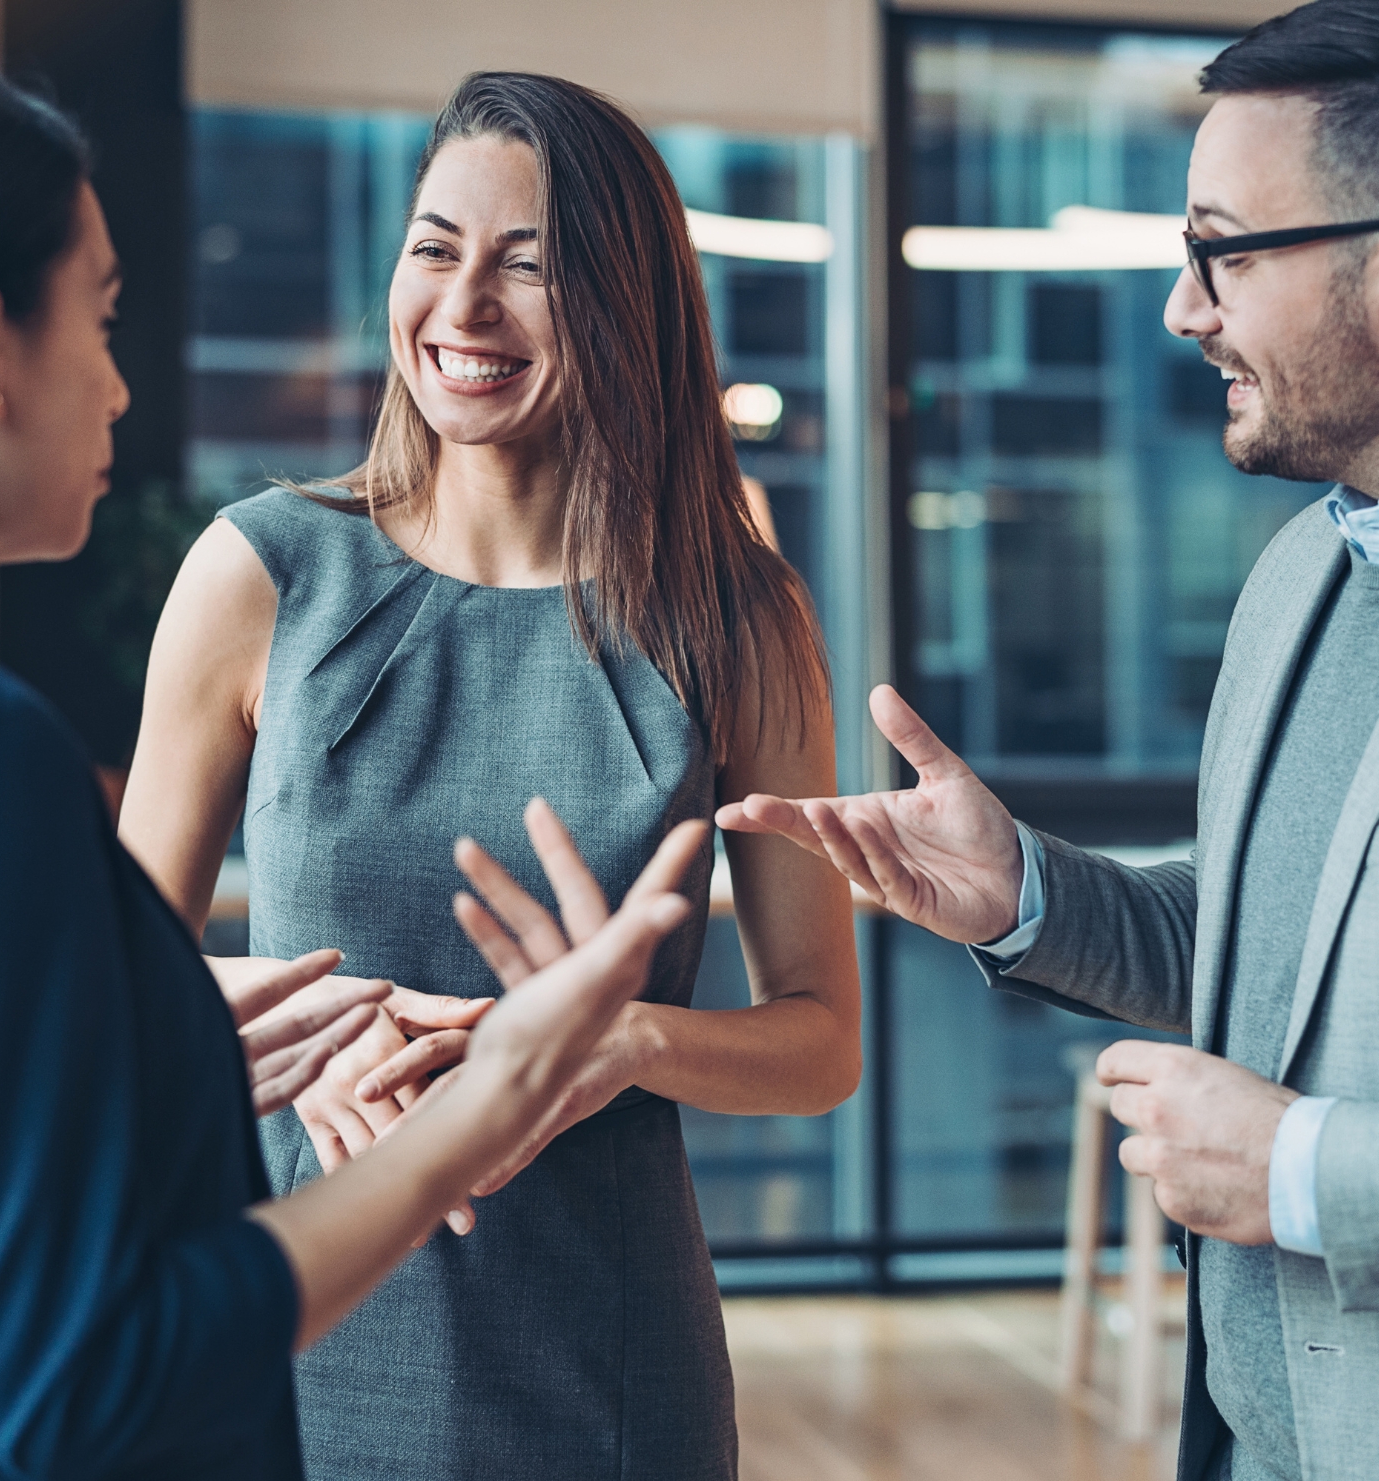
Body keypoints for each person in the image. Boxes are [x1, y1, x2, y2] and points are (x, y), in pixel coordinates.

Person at [0, 51, 705, 1480]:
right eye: (99, 317)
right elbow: (87, 1376)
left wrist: (179, 1033)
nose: (120, 384)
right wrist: (486, 1106)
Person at [722, 3, 1379, 1479]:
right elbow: (1290, 945)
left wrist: (1303, 1173)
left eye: (1224, 250)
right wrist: (1027, 888)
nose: (1184, 308)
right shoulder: (1303, 575)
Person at [120, 71, 861, 1481]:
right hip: (295, 1328)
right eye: (435, 247)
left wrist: (626, 1040)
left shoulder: (736, 615)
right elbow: (106, 995)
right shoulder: (259, 574)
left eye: (529, 268)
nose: (463, 308)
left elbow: (823, 1036)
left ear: (627, 304)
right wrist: (282, 1030)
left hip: (609, 1359)